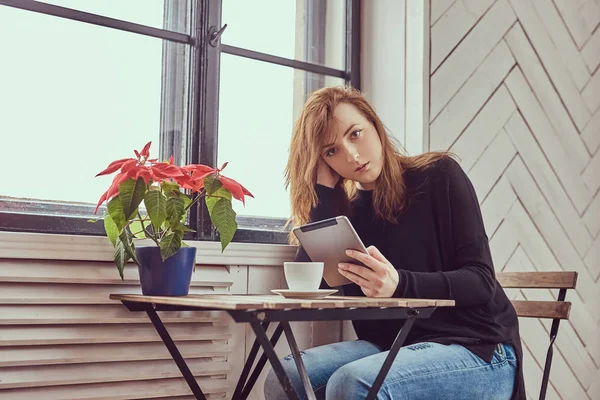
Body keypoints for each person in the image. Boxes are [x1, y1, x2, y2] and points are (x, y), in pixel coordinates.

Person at [264, 86, 524, 400]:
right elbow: (312, 281)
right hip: (394, 344)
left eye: (355, 133)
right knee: (286, 377)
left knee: (351, 383)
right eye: (331, 151)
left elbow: (481, 281)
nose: (352, 155)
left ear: (374, 124)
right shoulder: (350, 214)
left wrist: (398, 284)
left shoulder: (440, 175)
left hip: (479, 348)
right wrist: (323, 195)